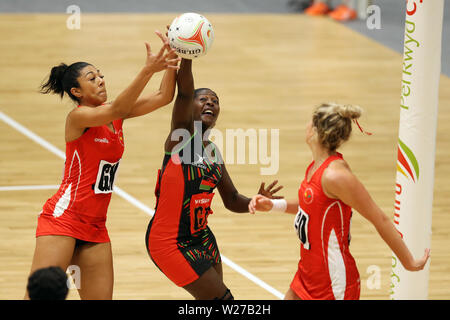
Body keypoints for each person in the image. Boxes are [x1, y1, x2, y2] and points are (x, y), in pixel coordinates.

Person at [25, 31, 181, 300]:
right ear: (76, 92)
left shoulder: (115, 114)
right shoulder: (79, 117)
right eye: (92, 78)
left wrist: (175, 56)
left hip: (95, 225)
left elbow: (164, 96)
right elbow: (118, 108)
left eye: (100, 75)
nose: (100, 80)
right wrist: (147, 70)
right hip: (63, 219)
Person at [248, 103, 430, 300]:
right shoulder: (315, 167)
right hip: (307, 273)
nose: (306, 124)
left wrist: (408, 261)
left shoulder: (336, 176)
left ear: (316, 131)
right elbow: (311, 208)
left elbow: (379, 219)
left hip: (333, 284)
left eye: (311, 121)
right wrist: (273, 205)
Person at [145, 57, 283, 300]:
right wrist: (187, 54)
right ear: (191, 108)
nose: (210, 103)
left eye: (215, 101)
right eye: (203, 99)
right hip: (169, 242)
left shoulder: (213, 152)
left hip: (202, 237)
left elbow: (231, 199)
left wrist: (255, 202)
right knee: (224, 301)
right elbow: (185, 93)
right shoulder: (181, 140)